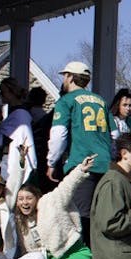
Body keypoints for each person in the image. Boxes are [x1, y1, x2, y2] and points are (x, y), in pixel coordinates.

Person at [47, 61, 113, 245]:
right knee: (101, 214)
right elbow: (114, 134)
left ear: (70, 77)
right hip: (105, 164)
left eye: (65, 76)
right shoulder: (101, 101)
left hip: (81, 164)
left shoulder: (66, 101)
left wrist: (52, 162)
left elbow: (59, 135)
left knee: (79, 215)